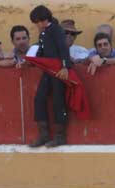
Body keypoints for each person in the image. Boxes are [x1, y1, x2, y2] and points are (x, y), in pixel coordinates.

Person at [28, 5, 72, 148]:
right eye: (37, 22)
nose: (40, 24)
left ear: (47, 18)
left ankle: (60, 136)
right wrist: (30, 62)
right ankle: (44, 135)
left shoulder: (57, 29)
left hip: (59, 70)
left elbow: (63, 48)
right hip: (47, 70)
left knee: (58, 101)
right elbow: (41, 52)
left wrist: (65, 66)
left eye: (41, 21)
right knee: (39, 99)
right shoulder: (43, 33)